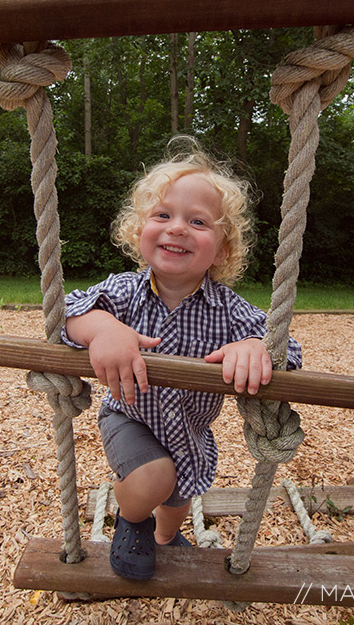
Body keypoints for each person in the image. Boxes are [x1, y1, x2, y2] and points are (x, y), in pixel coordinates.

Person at [62, 137, 302, 580]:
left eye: (197, 221)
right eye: (163, 215)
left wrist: (253, 348)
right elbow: (69, 314)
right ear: (140, 232)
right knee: (156, 477)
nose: (177, 228)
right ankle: (132, 519)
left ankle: (165, 535)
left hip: (190, 430)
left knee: (178, 496)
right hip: (129, 417)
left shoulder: (230, 311)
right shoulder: (122, 293)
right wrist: (104, 330)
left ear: (223, 249)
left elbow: (286, 347)